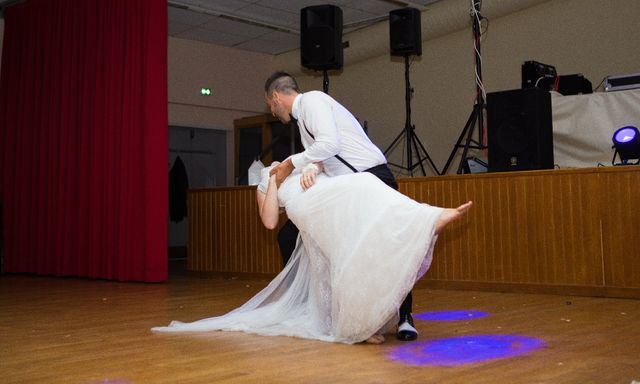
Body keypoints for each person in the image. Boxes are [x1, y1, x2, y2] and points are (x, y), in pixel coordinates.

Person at [152, 162, 472, 344]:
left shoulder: (300, 161)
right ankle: (428, 218)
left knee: (362, 220)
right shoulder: (265, 181)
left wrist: (313, 166)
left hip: (328, 199)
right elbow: (269, 221)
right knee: (363, 186)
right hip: (305, 208)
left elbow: (322, 163)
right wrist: (274, 182)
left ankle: (424, 221)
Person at [264, 71, 419, 340]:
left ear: (276, 97)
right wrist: (313, 167)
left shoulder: (313, 101)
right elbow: (327, 153)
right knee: (292, 237)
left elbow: (329, 142)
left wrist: (292, 163)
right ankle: (320, 309)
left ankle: (405, 317)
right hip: (348, 188)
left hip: (372, 177)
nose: (272, 111)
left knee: (387, 247)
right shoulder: (303, 122)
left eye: (270, 105)